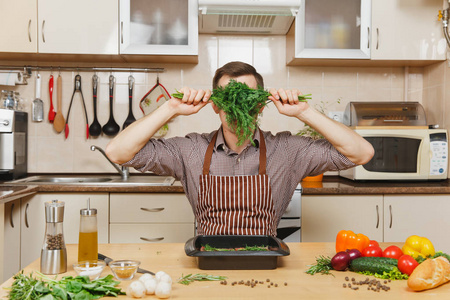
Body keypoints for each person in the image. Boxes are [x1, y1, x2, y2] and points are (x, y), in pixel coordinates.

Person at [106, 61, 374, 237]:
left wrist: (304, 112)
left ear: (259, 105)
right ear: (215, 105)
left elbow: (361, 153)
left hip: (266, 258)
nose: (236, 109)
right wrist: (170, 109)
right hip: (207, 259)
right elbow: (118, 152)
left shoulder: (287, 150)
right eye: (228, 99)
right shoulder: (190, 149)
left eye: (246, 99)